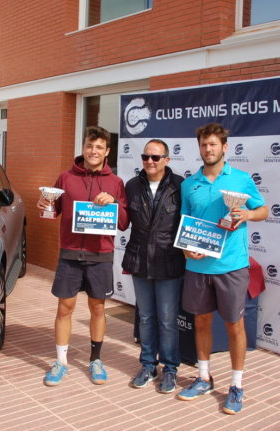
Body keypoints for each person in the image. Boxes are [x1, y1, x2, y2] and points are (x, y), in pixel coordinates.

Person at [177, 122, 268, 414]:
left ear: (224, 147)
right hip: (198, 268)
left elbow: (264, 210)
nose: (208, 149)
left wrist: (249, 213)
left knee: (234, 325)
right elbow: (185, 223)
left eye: (213, 144)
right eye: (204, 145)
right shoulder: (189, 184)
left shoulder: (241, 179)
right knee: (201, 322)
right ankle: (204, 377)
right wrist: (186, 247)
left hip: (231, 266)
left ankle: (237, 385)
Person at [38, 125, 129, 387]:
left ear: (107, 151)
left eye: (99, 147)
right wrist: (43, 204)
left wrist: (113, 201)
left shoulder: (116, 183)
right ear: (83, 148)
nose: (93, 151)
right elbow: (51, 211)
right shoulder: (65, 178)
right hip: (70, 253)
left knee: (97, 308)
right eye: (89, 146)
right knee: (64, 307)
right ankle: (61, 361)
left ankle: (95, 359)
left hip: (100, 253)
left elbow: (124, 222)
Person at [122, 139, 185, 393]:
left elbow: (190, 222)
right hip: (140, 261)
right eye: (145, 156)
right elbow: (124, 220)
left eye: (155, 157)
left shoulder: (181, 186)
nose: (149, 161)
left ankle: (170, 369)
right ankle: (148, 364)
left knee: (168, 320)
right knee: (146, 318)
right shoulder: (132, 186)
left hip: (169, 262)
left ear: (167, 160)